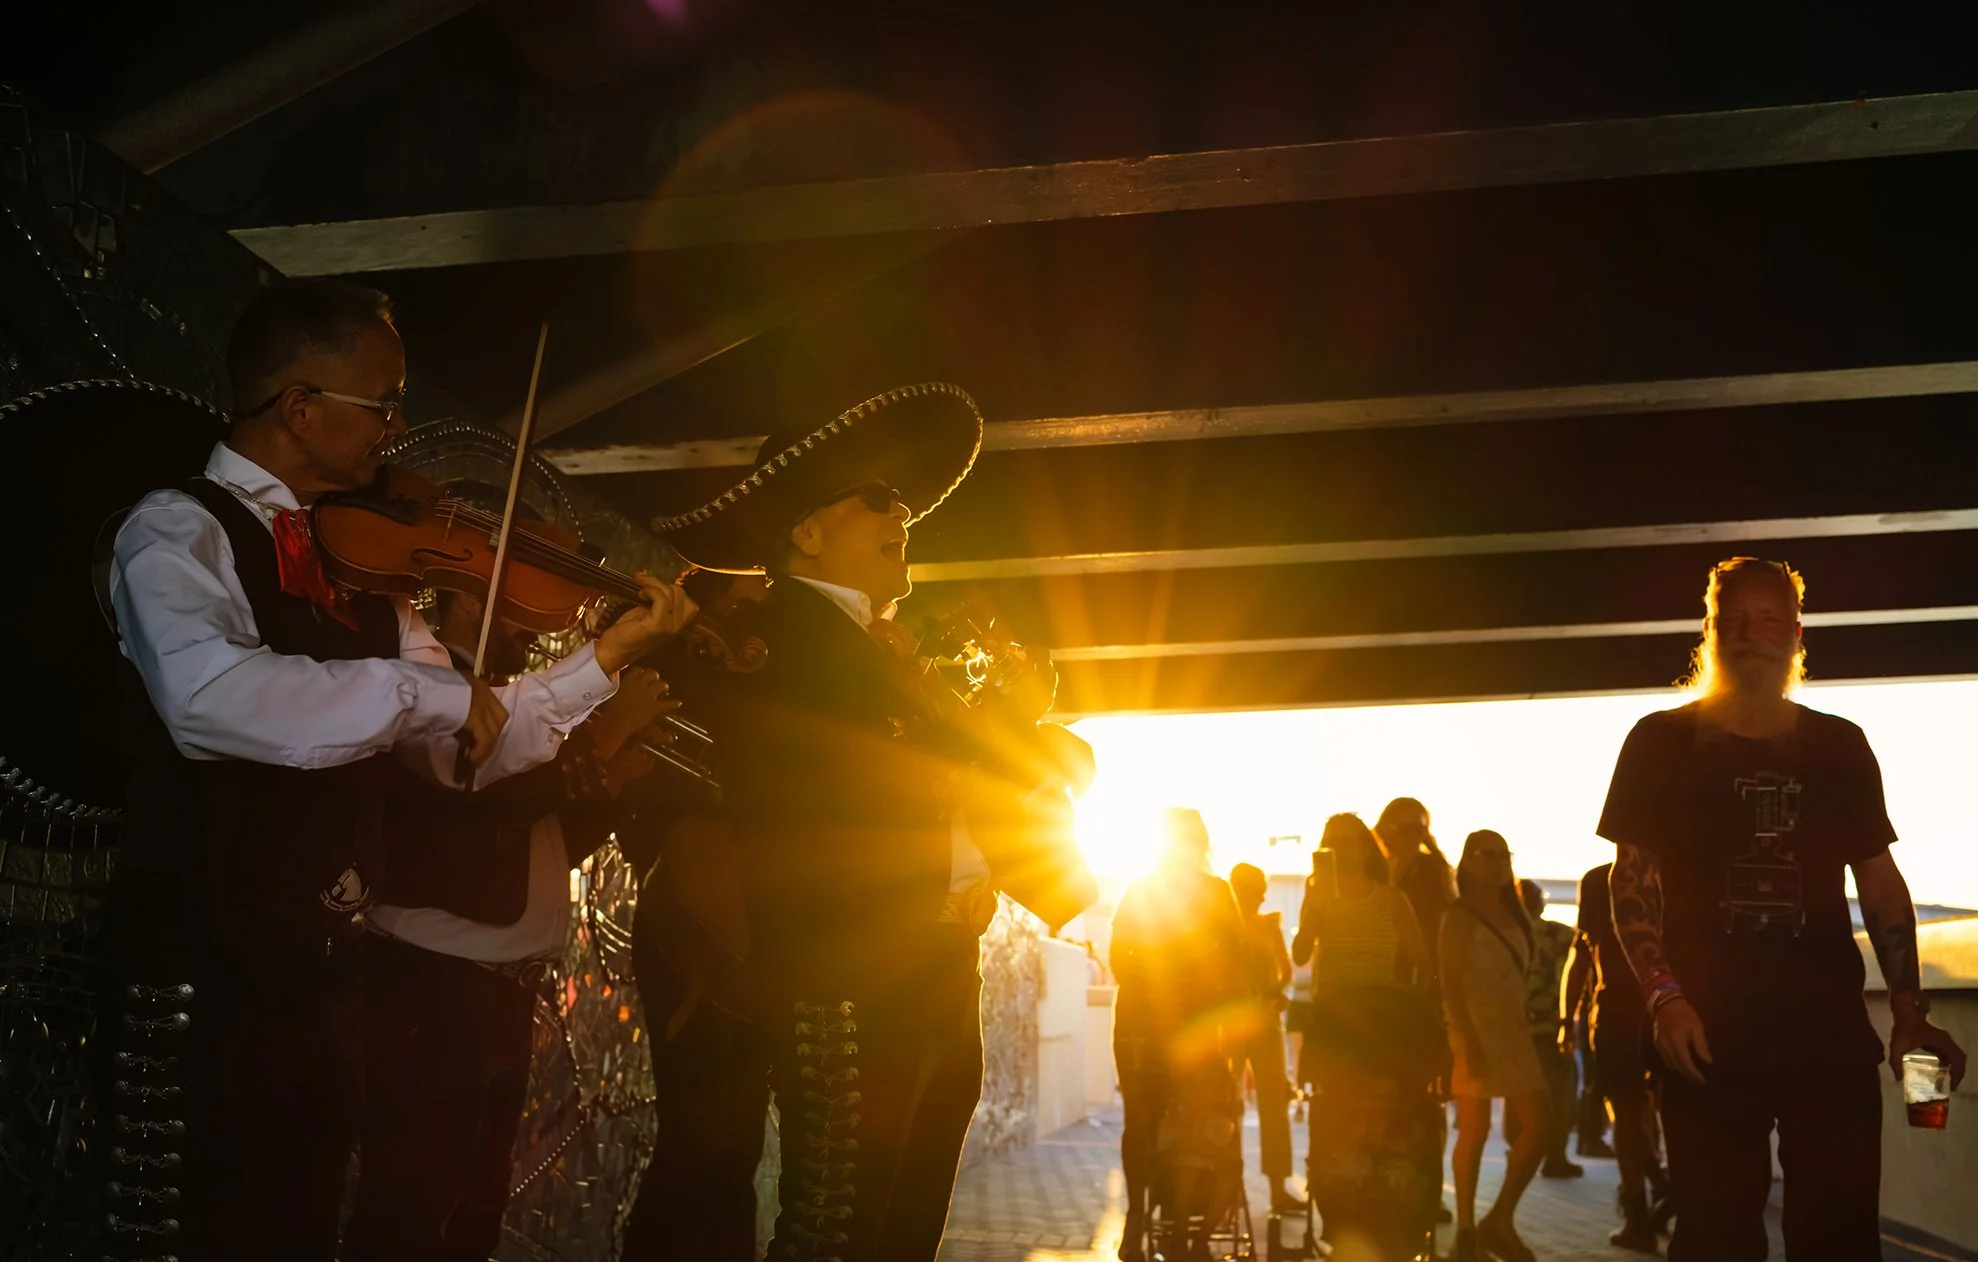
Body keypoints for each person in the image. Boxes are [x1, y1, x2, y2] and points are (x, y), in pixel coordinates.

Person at [98, 278, 693, 1260]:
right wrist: (425, 692)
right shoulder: (174, 529)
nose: (398, 426)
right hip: (196, 979)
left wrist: (605, 661)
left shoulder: (372, 588)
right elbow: (211, 698)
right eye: (382, 402)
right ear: (299, 406)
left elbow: (470, 758)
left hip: (329, 982)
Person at [655, 382, 1094, 1262]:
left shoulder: (891, 652)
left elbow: (1010, 782)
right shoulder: (776, 641)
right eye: (871, 497)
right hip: (850, 967)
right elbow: (860, 783)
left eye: (900, 499)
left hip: (930, 962)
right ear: (806, 533)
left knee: (901, 1224)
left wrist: (1007, 726)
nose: (900, 511)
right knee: (838, 1228)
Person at [1600, 557, 1967, 1261]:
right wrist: (1662, 997)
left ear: (1797, 636)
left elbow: (1881, 884)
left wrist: (1911, 1013)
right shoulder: (1658, 742)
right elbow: (1631, 883)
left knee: (1839, 1241)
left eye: (1769, 618)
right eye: (1733, 617)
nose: (1750, 632)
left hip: (1827, 1037)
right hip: (1705, 1038)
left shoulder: (1840, 745)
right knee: (1715, 1242)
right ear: (1711, 632)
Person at [343, 589, 676, 1261]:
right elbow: (476, 802)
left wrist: (608, 783)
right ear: (469, 600)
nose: (550, 610)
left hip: (496, 989)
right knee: (412, 1206)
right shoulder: (436, 686)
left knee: (473, 1207)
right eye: (527, 587)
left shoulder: (522, 698)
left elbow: (539, 850)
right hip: (431, 981)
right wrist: (603, 737)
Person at [1110, 809, 1248, 1259]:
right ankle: (1136, 1215)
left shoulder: (1216, 891)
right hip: (1141, 1021)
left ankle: (1184, 1228)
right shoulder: (1142, 890)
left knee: (1190, 1122)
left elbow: (1233, 962)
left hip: (1196, 1026)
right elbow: (1119, 954)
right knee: (1141, 1120)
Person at [1440, 831, 1545, 1262]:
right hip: (1474, 1031)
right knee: (1474, 1130)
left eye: (1504, 856)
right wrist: (1467, 1038)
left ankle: (1499, 1219)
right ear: (1467, 861)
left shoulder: (1513, 910)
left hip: (1513, 1030)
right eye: (1487, 856)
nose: (1498, 864)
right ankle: (1467, 1232)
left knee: (1542, 1127)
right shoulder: (1460, 914)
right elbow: (1448, 982)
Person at [1564, 861, 1667, 1251]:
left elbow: (1583, 953)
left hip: (1616, 1013)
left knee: (1626, 1113)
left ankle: (1640, 1210)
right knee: (1654, 1110)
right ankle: (1665, 1191)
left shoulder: (1598, 880)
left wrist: (1566, 1017)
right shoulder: (1676, 872)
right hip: (1671, 1007)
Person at [1228, 862, 1301, 1213]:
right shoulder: (1225, 927)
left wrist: (1274, 994)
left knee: (1274, 1104)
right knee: (1228, 1104)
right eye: (1248, 887)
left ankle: (1277, 1189)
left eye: (1257, 888)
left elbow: (1286, 971)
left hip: (1264, 1021)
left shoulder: (1267, 926)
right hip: (1231, 1023)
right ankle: (1225, 1187)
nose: (1255, 895)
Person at [1508, 878, 1584, 1179]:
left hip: (1517, 1027)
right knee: (1558, 1094)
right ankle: (1555, 1156)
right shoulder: (1559, 933)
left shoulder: (1509, 934)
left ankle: (1519, 1150)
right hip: (1553, 1027)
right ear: (1538, 901)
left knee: (1517, 1093)